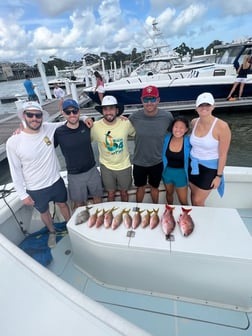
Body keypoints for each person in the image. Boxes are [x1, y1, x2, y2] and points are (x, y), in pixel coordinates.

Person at [6, 101, 71, 248]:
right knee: (44, 212)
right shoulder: (13, 141)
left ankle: (71, 227)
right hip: (35, 187)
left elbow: (71, 119)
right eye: (30, 115)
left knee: (63, 205)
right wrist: (22, 194)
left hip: (55, 181)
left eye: (38, 115)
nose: (34, 118)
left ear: (42, 116)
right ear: (24, 116)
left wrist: (84, 117)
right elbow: (14, 170)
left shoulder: (48, 128)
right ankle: (52, 232)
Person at [54, 99, 103, 209]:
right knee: (79, 204)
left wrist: (120, 117)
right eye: (68, 112)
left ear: (79, 112)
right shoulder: (58, 132)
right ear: (63, 113)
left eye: (75, 111)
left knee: (98, 198)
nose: (72, 114)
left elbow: (104, 123)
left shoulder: (86, 125)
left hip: (92, 170)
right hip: (74, 175)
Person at [129, 85, 174, 204]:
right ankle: (138, 209)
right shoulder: (134, 117)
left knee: (155, 187)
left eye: (153, 99)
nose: (149, 103)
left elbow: (176, 132)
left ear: (158, 100)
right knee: (140, 187)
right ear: (141, 100)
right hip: (139, 162)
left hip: (157, 161)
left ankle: (156, 208)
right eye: (146, 99)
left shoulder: (167, 117)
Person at [189, 92, 231, 206]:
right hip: (193, 165)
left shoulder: (222, 126)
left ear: (213, 106)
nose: (204, 108)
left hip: (210, 169)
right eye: (201, 105)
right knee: (193, 195)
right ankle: (192, 219)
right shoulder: (194, 122)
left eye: (207, 105)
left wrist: (218, 176)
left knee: (198, 200)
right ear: (196, 108)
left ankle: (201, 221)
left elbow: (223, 154)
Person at [92, 95, 135, 202]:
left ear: (117, 110)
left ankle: (125, 213)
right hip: (106, 167)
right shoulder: (95, 126)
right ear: (102, 111)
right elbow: (85, 140)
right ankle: (109, 216)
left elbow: (136, 134)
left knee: (124, 193)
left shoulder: (126, 123)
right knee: (110, 193)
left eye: (111, 108)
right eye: (105, 109)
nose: (108, 112)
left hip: (124, 165)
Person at [162, 116, 191, 205]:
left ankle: (185, 217)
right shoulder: (166, 138)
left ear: (186, 129)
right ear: (172, 127)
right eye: (176, 127)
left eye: (182, 127)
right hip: (167, 173)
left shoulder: (189, 141)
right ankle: (169, 213)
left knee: (183, 201)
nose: (178, 130)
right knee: (169, 194)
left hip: (181, 175)